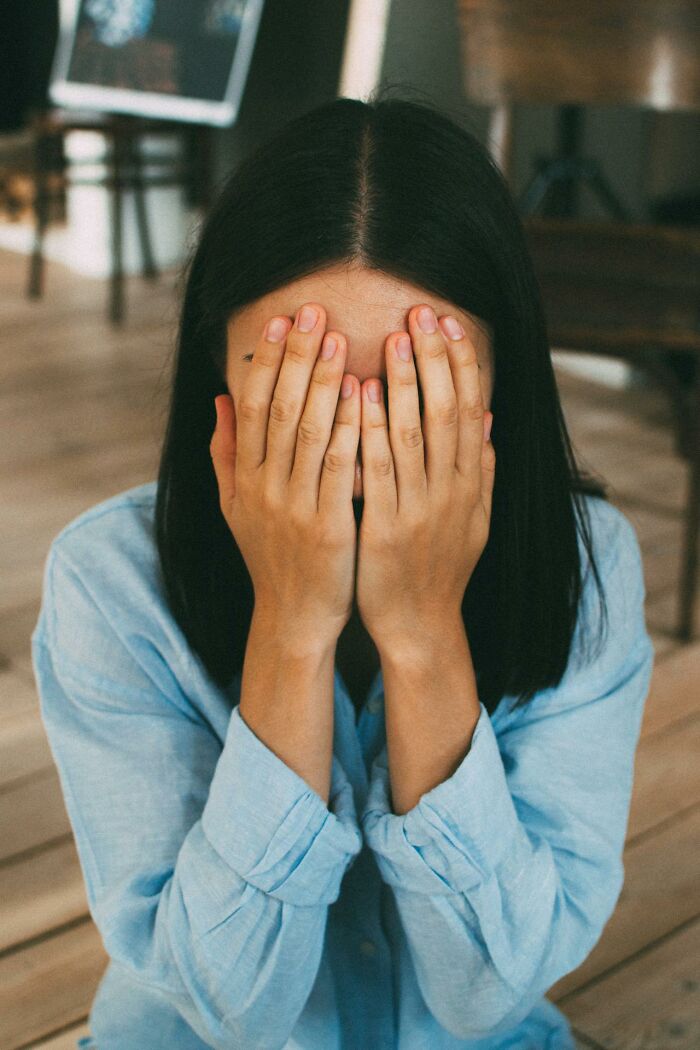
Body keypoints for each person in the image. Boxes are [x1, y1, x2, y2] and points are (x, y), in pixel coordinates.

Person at [31, 93, 655, 1049]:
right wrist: (290, 623)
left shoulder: (590, 568)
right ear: (219, 379)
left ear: (499, 386)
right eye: (300, 390)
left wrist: (421, 635)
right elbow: (230, 1006)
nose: (355, 449)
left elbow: (489, 995)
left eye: (417, 394)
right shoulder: (107, 587)